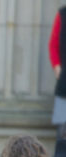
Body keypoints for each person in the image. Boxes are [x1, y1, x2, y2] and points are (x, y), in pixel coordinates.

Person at [49, 5, 66, 135]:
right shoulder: (63, 14)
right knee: (62, 131)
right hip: (64, 83)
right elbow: (53, 44)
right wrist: (57, 67)